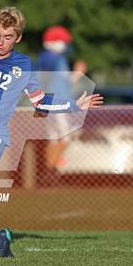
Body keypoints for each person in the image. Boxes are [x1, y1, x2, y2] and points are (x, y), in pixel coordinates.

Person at [0, 6, 103, 261]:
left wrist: (74, 104)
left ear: (18, 38)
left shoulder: (22, 64)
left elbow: (39, 101)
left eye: (7, 36)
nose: (0, 42)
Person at [37, 26, 75, 170]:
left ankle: (50, 171)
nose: (65, 45)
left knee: (53, 138)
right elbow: (45, 77)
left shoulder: (60, 59)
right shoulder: (51, 56)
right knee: (66, 137)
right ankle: (51, 167)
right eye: (62, 41)